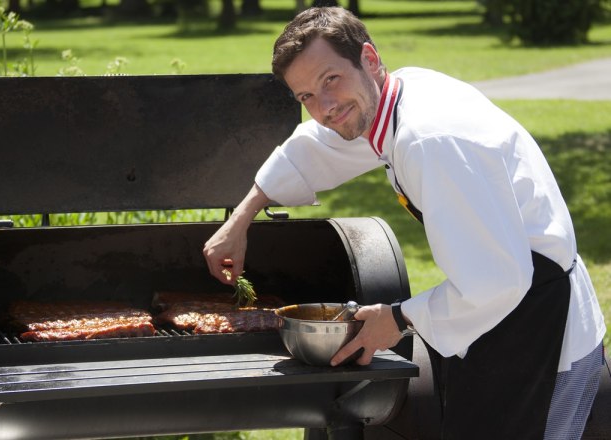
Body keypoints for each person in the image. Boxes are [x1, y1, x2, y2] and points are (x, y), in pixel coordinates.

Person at [202, 6, 606, 440]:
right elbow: (318, 146)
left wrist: (396, 317)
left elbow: (496, 282)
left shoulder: (428, 141)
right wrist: (242, 217)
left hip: (535, 322)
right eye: (307, 97)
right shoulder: (396, 100)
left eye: (330, 80)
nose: (325, 107)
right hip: (504, 311)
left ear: (369, 60)